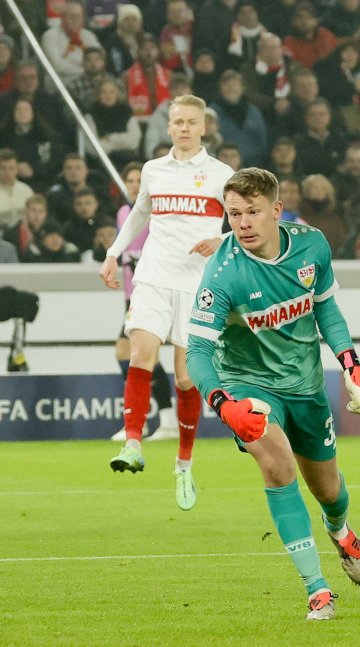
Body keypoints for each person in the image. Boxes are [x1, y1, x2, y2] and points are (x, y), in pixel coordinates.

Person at [186, 167, 360, 621]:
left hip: (306, 387)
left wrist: (352, 365)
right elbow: (196, 351)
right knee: (276, 465)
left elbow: (326, 307)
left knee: (328, 491)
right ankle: (317, 589)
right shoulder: (222, 275)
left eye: (252, 212)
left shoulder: (312, 245)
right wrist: (224, 405)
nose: (243, 223)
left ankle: (339, 528)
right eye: (233, 214)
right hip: (246, 385)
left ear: (276, 210)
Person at [98, 94, 236, 509]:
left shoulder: (221, 173)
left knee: (185, 378)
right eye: (178, 122)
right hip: (154, 279)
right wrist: (113, 252)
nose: (185, 128)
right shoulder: (154, 170)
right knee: (140, 354)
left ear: (203, 126)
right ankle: (134, 444)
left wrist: (222, 238)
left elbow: (250, 219)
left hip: (197, 287)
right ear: (170, 126)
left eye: (192, 122)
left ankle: (183, 463)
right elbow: (139, 214)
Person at [110, 162, 180, 442]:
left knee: (130, 352)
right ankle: (161, 420)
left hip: (154, 291)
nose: (135, 185)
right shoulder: (124, 212)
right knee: (133, 355)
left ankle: (154, 421)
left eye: (140, 180)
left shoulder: (159, 214)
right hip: (132, 293)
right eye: (130, 180)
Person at [40, 0, 101, 84]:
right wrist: (86, 71)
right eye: (71, 16)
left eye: (78, 16)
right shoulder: (50, 36)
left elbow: (100, 59)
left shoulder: (89, 36)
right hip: (62, 84)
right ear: (62, 18)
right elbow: (57, 65)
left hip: (90, 82)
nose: (75, 20)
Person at [0, 148, 34, 230]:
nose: (7, 173)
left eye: (11, 168)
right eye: (3, 168)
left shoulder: (26, 191)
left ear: (17, 169)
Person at [4, 194, 49, 259]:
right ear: (25, 211)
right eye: (33, 210)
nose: (37, 215)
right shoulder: (11, 233)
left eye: (40, 211)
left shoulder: (51, 231)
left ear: (46, 213)